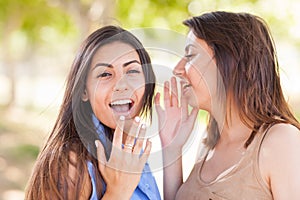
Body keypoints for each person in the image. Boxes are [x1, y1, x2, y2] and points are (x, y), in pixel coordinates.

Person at [155, 11, 300, 199]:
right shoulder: (209, 141)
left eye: (190, 56)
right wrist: (172, 148)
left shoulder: (281, 140)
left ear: (230, 61)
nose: (178, 69)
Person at [25, 25, 161, 199]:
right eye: (105, 74)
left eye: (132, 71)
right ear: (84, 91)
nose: (121, 85)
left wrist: (175, 144)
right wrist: (118, 192)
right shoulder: (71, 162)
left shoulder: (132, 151)